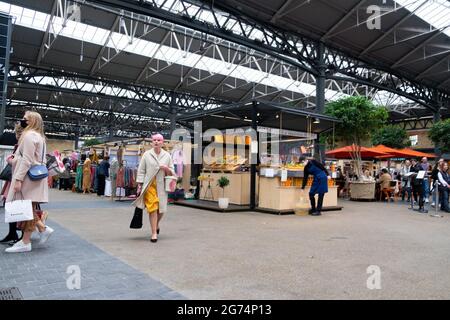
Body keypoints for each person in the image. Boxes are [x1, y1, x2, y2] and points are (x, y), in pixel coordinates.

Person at [5, 111, 53, 253]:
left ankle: (27, 241)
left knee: (27, 209)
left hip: (28, 178)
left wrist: (18, 178)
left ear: (31, 121)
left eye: (25, 119)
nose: (22, 121)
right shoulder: (39, 137)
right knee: (29, 209)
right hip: (36, 177)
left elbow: (27, 160)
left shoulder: (29, 136)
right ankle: (37, 232)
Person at [133, 134, 175, 242]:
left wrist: (166, 168)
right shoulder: (146, 155)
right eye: (154, 140)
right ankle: (154, 233)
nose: (156, 142)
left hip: (162, 186)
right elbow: (141, 170)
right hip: (149, 185)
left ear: (162, 142)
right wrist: (139, 184)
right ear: (152, 142)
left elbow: (172, 171)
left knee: (161, 210)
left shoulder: (167, 155)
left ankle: (156, 224)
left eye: (159, 140)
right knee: (153, 208)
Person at [0, 123, 24, 245]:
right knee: (12, 206)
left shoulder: (23, 144)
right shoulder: (20, 144)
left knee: (19, 206)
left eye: (17, 133)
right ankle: (13, 233)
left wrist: (10, 159)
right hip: (14, 179)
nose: (16, 135)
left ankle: (40, 229)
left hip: (18, 179)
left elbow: (20, 161)